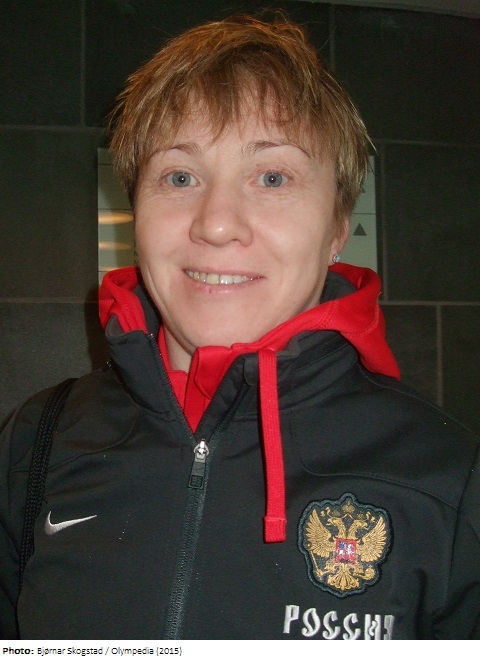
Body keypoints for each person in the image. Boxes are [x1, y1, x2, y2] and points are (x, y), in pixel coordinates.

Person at [1, 14, 479, 641]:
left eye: (273, 177)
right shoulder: (34, 445)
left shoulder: (449, 477)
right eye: (179, 177)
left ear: (338, 228)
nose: (217, 223)